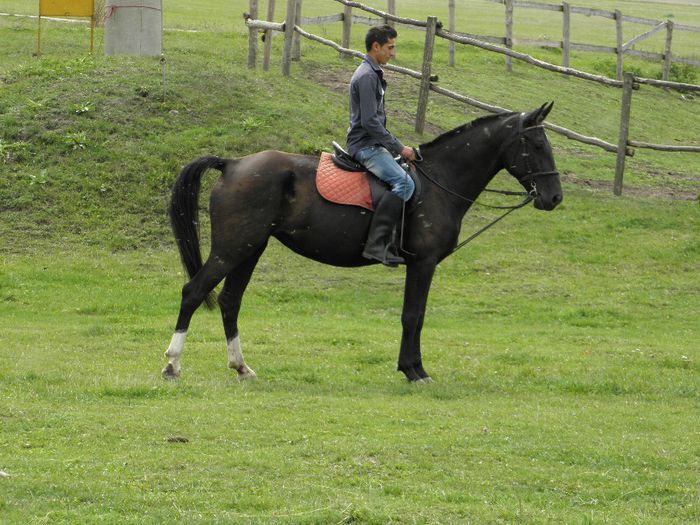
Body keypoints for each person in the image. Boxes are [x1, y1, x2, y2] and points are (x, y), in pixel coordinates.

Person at [347, 25, 416, 267]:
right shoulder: (367, 76)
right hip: (365, 146)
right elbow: (369, 122)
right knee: (404, 183)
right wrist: (400, 148)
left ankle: (395, 240)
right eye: (390, 47)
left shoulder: (371, 72)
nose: (393, 53)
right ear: (376, 47)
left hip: (372, 142)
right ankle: (375, 245)